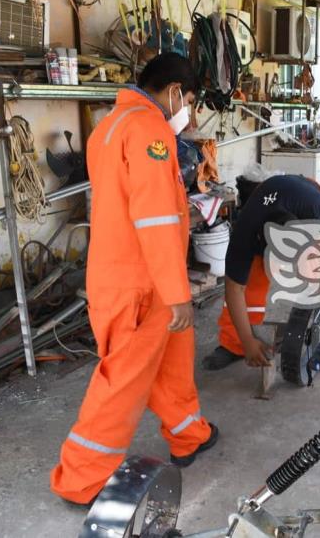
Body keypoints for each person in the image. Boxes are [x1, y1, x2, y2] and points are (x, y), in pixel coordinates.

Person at [51, 53, 217, 506]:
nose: (191, 114)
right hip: (141, 283)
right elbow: (157, 218)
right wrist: (176, 292)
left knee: (172, 362)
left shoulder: (108, 127)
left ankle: (189, 436)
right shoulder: (149, 131)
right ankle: (81, 479)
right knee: (121, 382)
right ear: (175, 93)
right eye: (192, 103)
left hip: (126, 275)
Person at [203, 174, 320, 370]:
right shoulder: (244, 236)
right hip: (267, 199)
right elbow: (234, 290)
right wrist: (248, 340)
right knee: (249, 284)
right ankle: (235, 344)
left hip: (307, 193)